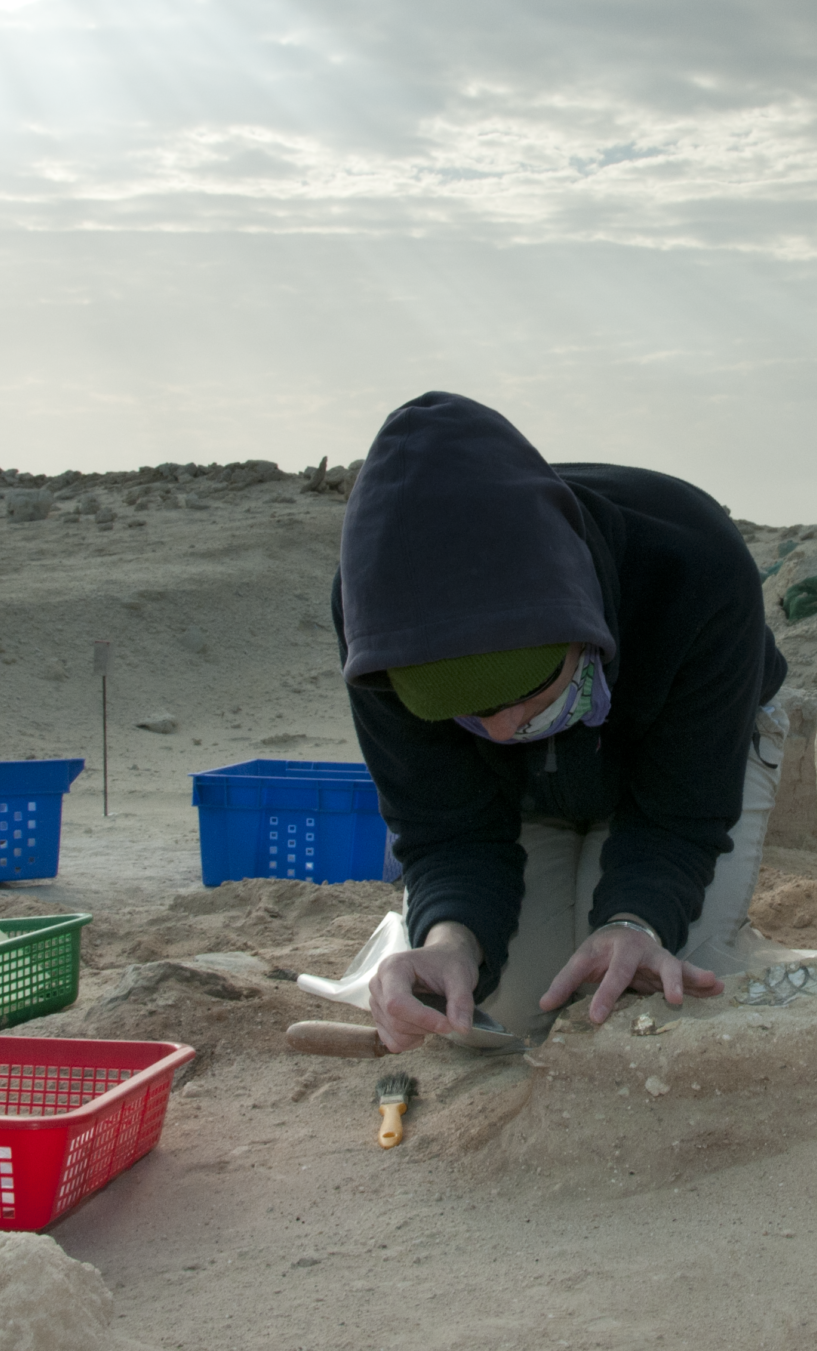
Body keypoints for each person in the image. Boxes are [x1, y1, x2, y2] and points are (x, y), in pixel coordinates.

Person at [331, 391, 789, 1053]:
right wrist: (449, 938)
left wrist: (635, 921)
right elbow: (446, 828)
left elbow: (680, 814)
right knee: (500, 1019)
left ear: (584, 628)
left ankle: (726, 934)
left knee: (644, 998)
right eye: (467, 713)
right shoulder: (381, 630)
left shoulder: (697, 566)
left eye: (528, 693)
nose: (503, 730)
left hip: (683, 766)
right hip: (524, 794)